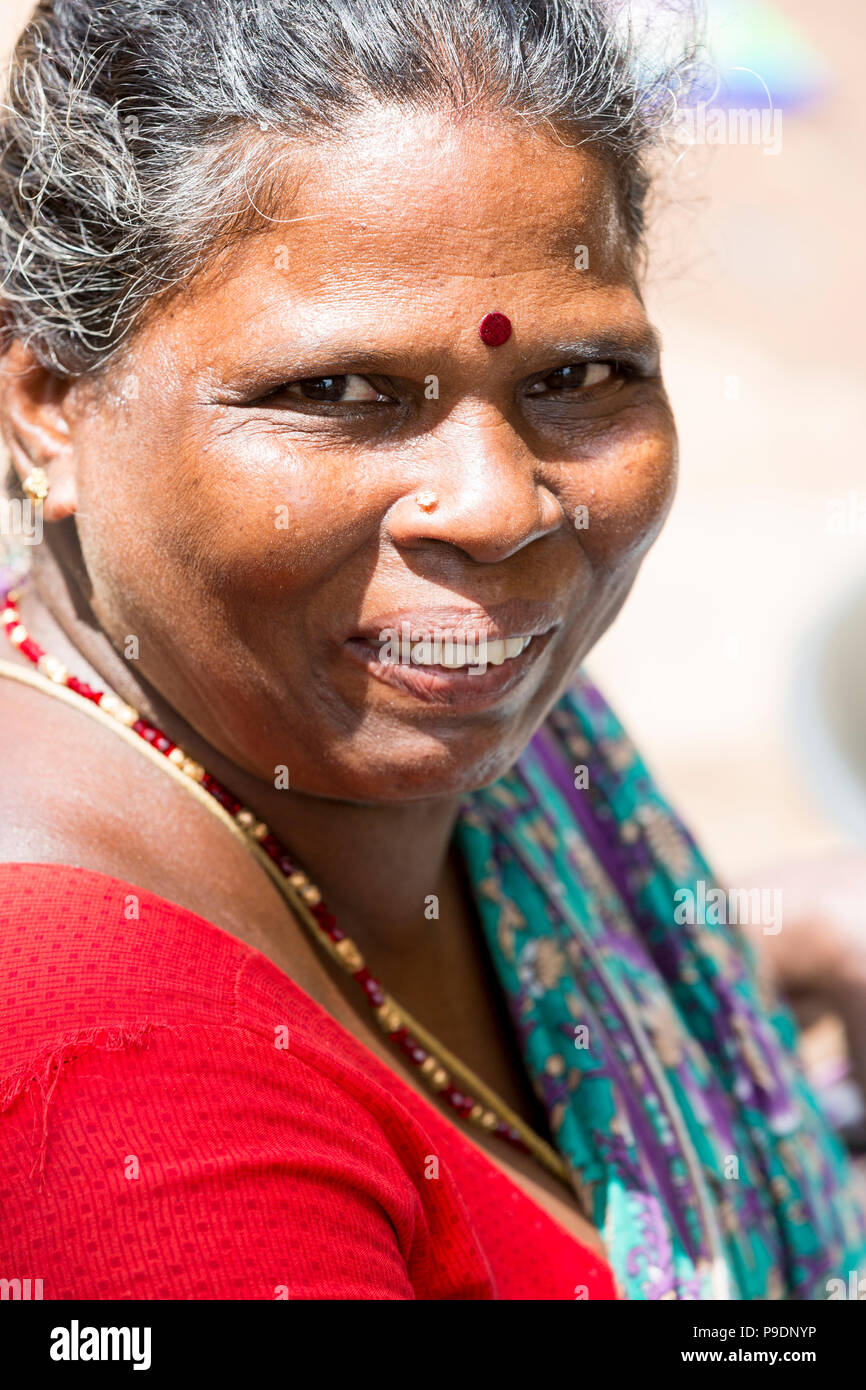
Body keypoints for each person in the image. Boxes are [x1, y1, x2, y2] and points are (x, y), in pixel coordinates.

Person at [0, 0, 863, 1301]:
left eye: (578, 378)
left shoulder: (452, 734)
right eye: (337, 392)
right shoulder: (100, 1063)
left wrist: (754, 935)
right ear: (53, 404)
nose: (499, 507)